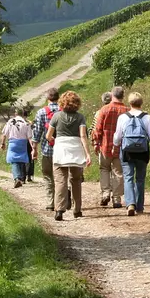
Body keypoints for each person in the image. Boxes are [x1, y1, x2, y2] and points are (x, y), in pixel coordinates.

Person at [113, 92, 150, 216]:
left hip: (127, 151)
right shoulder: (147, 117)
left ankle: (130, 204)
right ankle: (139, 206)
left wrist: (115, 148)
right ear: (141, 103)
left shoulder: (123, 117)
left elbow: (117, 136)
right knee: (140, 179)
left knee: (128, 177)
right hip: (142, 151)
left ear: (129, 103)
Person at [46, 91, 91, 221]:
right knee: (76, 180)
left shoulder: (56, 116)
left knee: (60, 180)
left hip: (61, 148)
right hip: (76, 149)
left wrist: (54, 142)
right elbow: (83, 136)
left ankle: (59, 210)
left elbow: (48, 135)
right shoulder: (80, 117)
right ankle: (77, 210)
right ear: (77, 103)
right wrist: (87, 154)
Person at [94, 86, 129, 208]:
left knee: (104, 169)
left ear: (112, 95)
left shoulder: (104, 109)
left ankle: (105, 193)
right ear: (123, 96)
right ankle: (117, 199)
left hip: (105, 145)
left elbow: (98, 128)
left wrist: (96, 142)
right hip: (120, 147)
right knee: (118, 172)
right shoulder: (127, 111)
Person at [32, 88, 60, 210]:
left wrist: (34, 148)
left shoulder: (42, 112)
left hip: (47, 149)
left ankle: (51, 201)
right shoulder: (64, 111)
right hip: (62, 150)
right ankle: (63, 199)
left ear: (48, 98)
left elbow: (37, 132)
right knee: (62, 177)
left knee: (48, 176)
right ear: (58, 98)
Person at [1, 108, 33, 188]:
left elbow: (4, 134)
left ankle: (17, 178)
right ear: (22, 114)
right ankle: (22, 178)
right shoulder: (26, 123)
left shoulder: (10, 122)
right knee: (22, 160)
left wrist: (3, 143)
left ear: (15, 113)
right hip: (23, 143)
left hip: (13, 143)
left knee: (14, 161)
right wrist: (33, 148)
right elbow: (30, 137)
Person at [22, 109, 35, 183]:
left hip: (23, 141)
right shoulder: (29, 123)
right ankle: (29, 176)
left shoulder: (22, 123)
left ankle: (24, 176)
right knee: (30, 159)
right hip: (30, 141)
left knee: (24, 159)